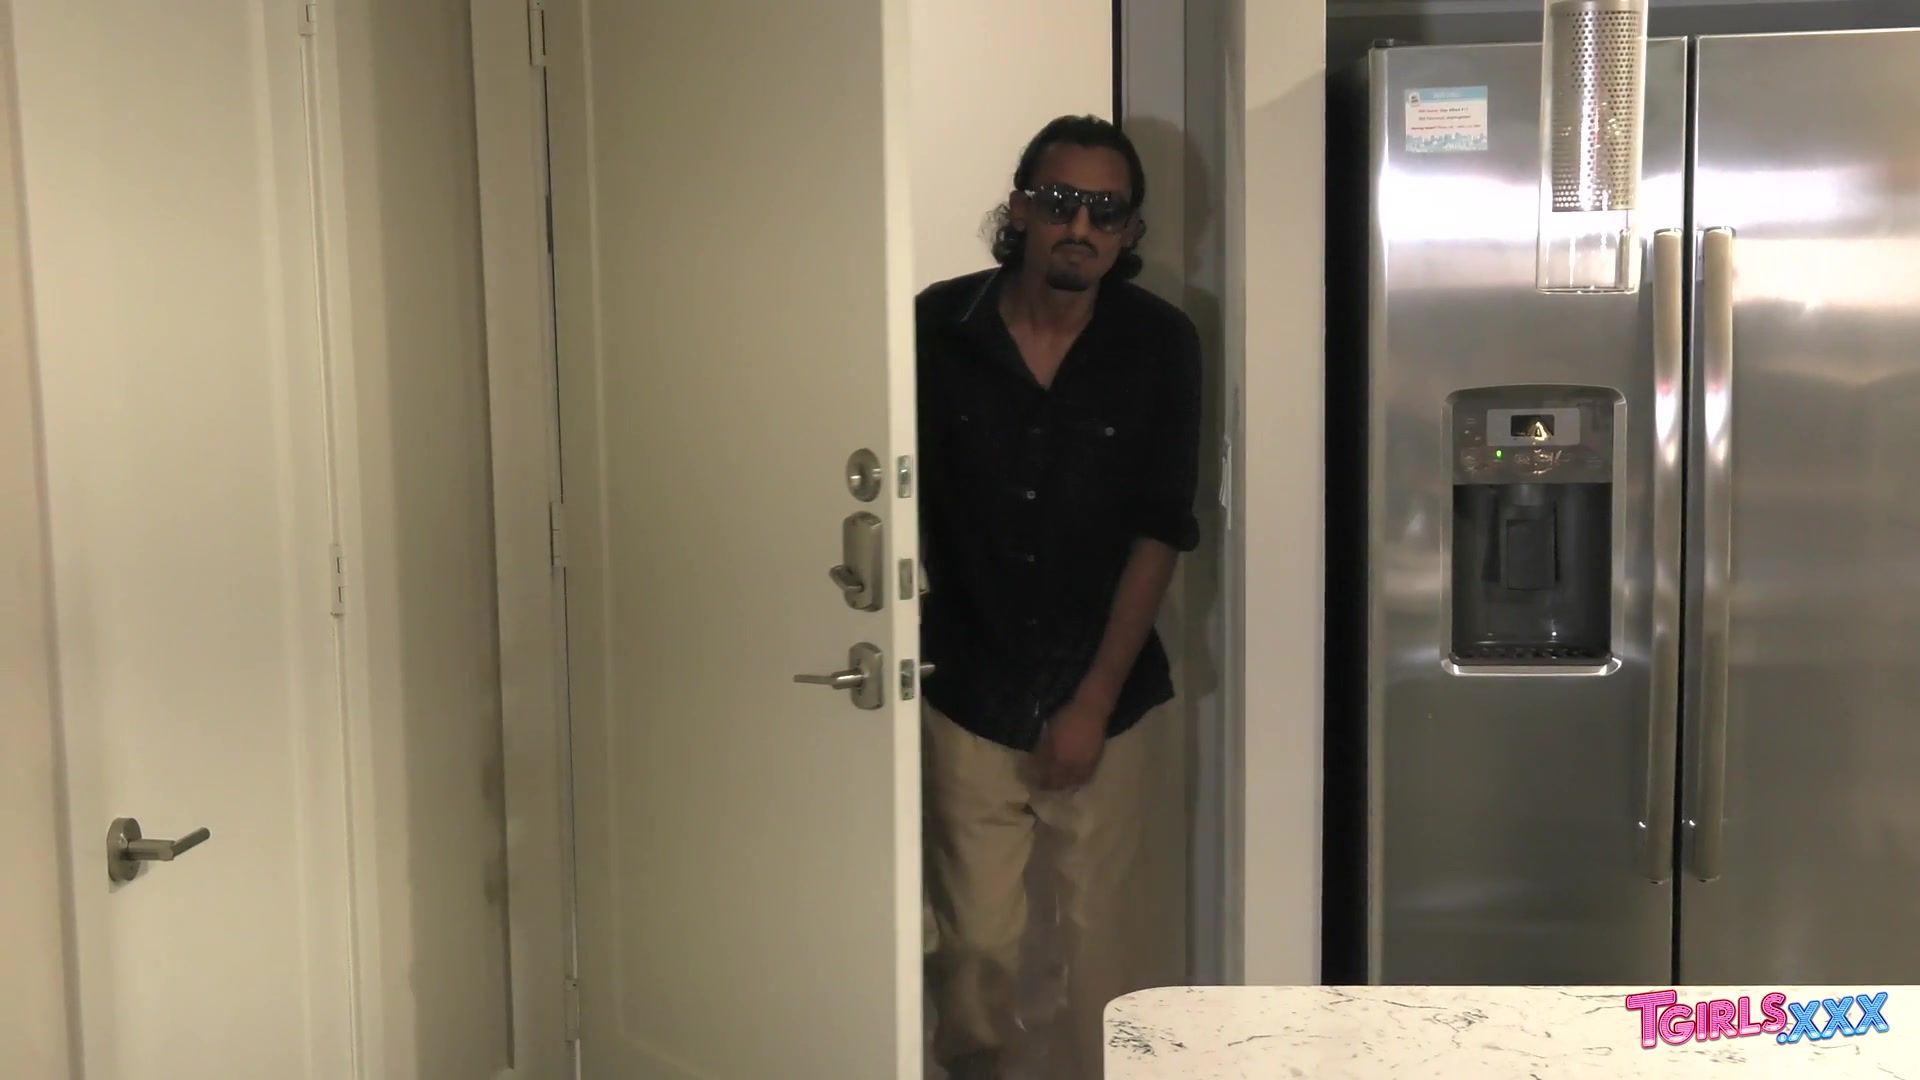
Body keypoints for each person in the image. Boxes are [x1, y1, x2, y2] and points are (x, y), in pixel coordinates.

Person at [916, 114, 1202, 1080]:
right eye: (1060, 201)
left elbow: (1161, 527)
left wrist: (1089, 702)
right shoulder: (936, 327)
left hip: (1110, 695)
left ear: (1130, 232)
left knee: (1106, 961)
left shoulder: (1160, 344)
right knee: (974, 955)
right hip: (970, 684)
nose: (1080, 226)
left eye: (1105, 211)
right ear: (1020, 208)